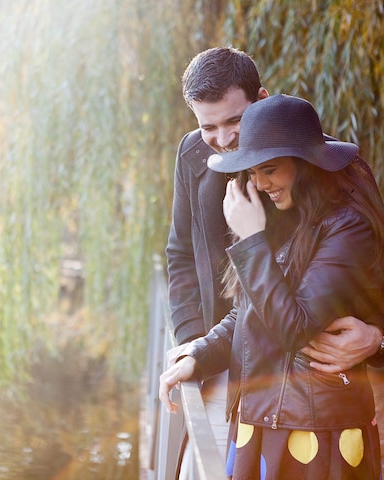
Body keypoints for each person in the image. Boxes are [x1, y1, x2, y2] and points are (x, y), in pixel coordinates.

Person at [164, 46, 384, 470]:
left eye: (234, 121)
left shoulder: (330, 177)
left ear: (261, 100)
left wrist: (378, 338)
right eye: (209, 126)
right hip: (228, 362)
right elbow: (181, 254)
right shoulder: (193, 155)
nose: (225, 139)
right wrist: (196, 345)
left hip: (305, 386)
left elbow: (357, 276)